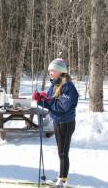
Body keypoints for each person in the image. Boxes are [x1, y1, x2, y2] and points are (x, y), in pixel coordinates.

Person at [32, 58, 78, 188]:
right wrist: (40, 99)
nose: (50, 73)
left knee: (63, 152)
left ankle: (63, 180)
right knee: (60, 151)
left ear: (59, 71)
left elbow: (61, 107)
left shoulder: (68, 87)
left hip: (66, 123)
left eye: (52, 70)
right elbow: (51, 103)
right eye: (49, 71)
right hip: (57, 121)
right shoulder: (55, 84)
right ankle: (60, 176)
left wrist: (47, 100)